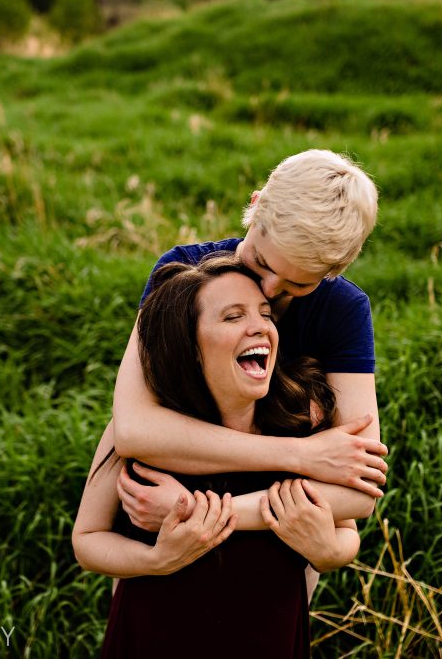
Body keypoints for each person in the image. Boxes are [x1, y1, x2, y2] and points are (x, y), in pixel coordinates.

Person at [107, 149, 389, 600]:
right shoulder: (183, 274)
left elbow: (358, 493)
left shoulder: (343, 309)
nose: (271, 291)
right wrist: (303, 457)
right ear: (255, 206)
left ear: (336, 271)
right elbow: (136, 430)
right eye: (262, 261)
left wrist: (198, 513)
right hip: (159, 542)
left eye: (299, 284)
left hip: (266, 548)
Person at [73, 255, 361, 657]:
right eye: (232, 317)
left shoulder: (302, 420)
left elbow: (347, 532)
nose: (260, 326)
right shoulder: (145, 435)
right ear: (189, 345)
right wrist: (156, 559)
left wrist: (327, 552)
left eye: (264, 314)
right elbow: (86, 540)